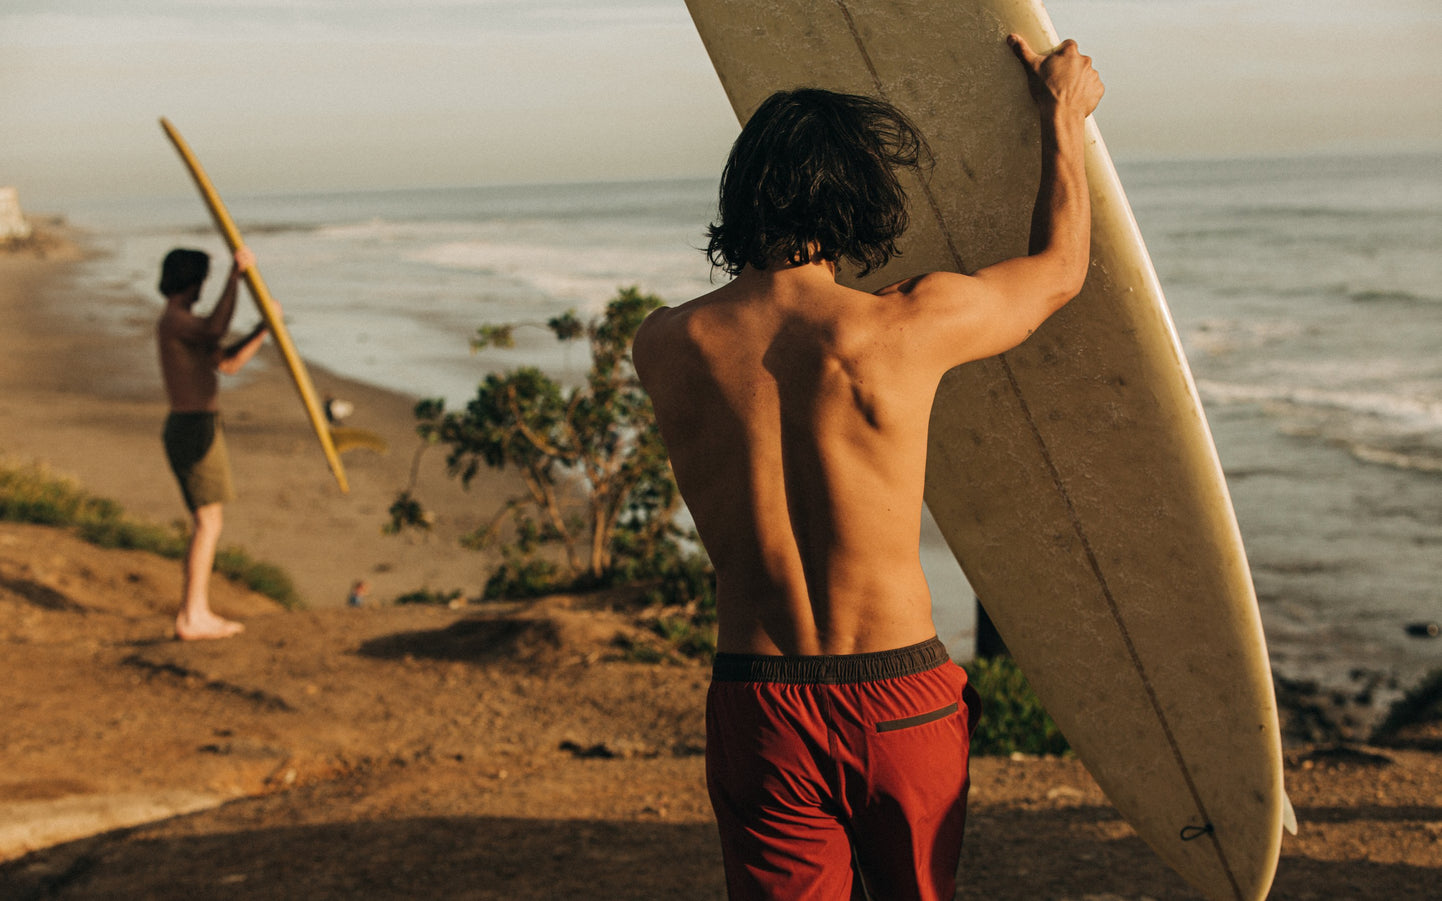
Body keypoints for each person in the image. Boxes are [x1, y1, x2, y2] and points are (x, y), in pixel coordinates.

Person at [632, 34, 1103, 900]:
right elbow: (1060, 272)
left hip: (759, 697)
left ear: (742, 193)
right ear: (858, 195)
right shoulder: (901, 327)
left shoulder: (665, 343)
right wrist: (1061, 116)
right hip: (900, 695)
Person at [156, 245, 273, 640]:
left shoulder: (186, 326)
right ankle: (191, 616)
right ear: (190, 281)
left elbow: (227, 362)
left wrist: (263, 329)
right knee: (208, 523)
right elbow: (214, 330)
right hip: (191, 427)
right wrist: (234, 278)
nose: (203, 289)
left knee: (210, 522)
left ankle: (197, 611)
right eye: (202, 281)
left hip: (200, 425)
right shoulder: (175, 321)